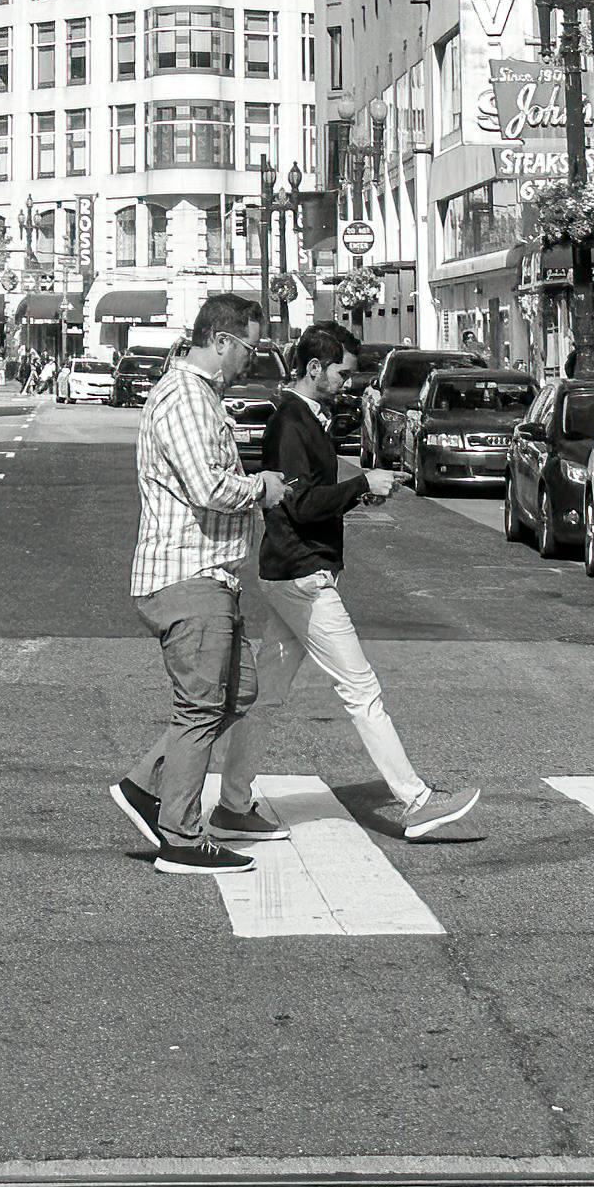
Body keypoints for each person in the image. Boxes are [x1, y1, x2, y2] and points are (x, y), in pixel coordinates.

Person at [206, 321, 477, 849]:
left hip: (291, 570)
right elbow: (297, 503)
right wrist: (359, 484)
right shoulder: (289, 421)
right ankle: (416, 802)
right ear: (314, 369)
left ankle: (233, 805)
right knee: (361, 689)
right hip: (302, 574)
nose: (350, 383)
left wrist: (357, 493)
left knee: (266, 697)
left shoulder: (302, 417)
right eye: (342, 372)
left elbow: (310, 496)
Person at [110, 301, 277, 875]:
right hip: (187, 574)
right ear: (224, 340)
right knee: (201, 707)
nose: (251, 360)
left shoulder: (202, 396)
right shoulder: (184, 395)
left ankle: (146, 786)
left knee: (236, 693)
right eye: (250, 347)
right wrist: (259, 487)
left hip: (210, 575)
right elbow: (206, 486)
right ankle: (180, 837)